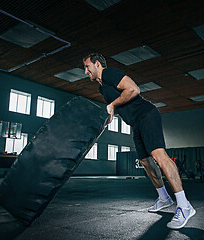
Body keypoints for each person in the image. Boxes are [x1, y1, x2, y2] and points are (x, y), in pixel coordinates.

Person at [83, 53, 196, 229]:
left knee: (159, 156)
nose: (85, 71)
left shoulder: (110, 73)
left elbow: (134, 90)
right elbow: (118, 105)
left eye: (87, 67)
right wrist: (110, 113)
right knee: (146, 162)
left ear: (97, 64)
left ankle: (184, 205)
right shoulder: (102, 88)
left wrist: (112, 105)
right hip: (136, 123)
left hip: (147, 115)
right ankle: (164, 198)